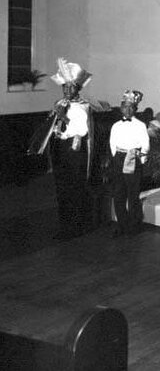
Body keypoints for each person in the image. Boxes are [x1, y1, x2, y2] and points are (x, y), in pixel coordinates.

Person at [47, 58, 95, 240]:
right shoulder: (60, 103)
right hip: (60, 149)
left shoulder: (82, 106)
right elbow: (55, 127)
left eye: (71, 87)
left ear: (78, 89)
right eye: (65, 87)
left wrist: (64, 118)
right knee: (62, 188)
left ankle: (76, 227)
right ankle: (65, 226)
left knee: (75, 188)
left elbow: (81, 130)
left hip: (75, 151)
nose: (67, 91)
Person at [109, 90, 150, 237]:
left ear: (135, 109)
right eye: (125, 107)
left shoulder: (140, 125)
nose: (128, 110)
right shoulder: (116, 126)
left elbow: (145, 144)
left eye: (131, 107)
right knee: (119, 194)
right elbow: (112, 143)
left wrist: (141, 160)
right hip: (119, 159)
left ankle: (133, 226)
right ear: (121, 108)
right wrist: (117, 158)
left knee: (133, 194)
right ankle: (122, 225)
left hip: (133, 159)